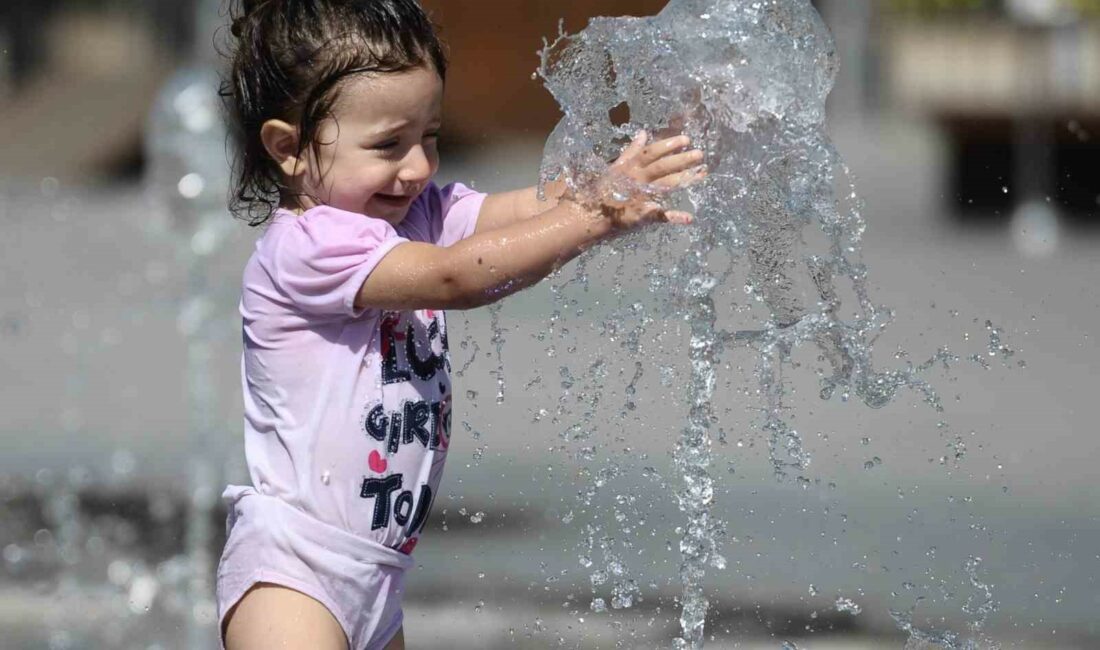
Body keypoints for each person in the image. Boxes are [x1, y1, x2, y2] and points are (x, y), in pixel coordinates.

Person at [216, 1, 706, 648]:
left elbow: (537, 205)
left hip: (378, 574)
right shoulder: (305, 248)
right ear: (289, 149)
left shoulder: (413, 213)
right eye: (388, 144)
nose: (418, 166)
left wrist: (628, 173)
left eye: (430, 136)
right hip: (295, 572)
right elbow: (459, 276)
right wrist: (600, 215)